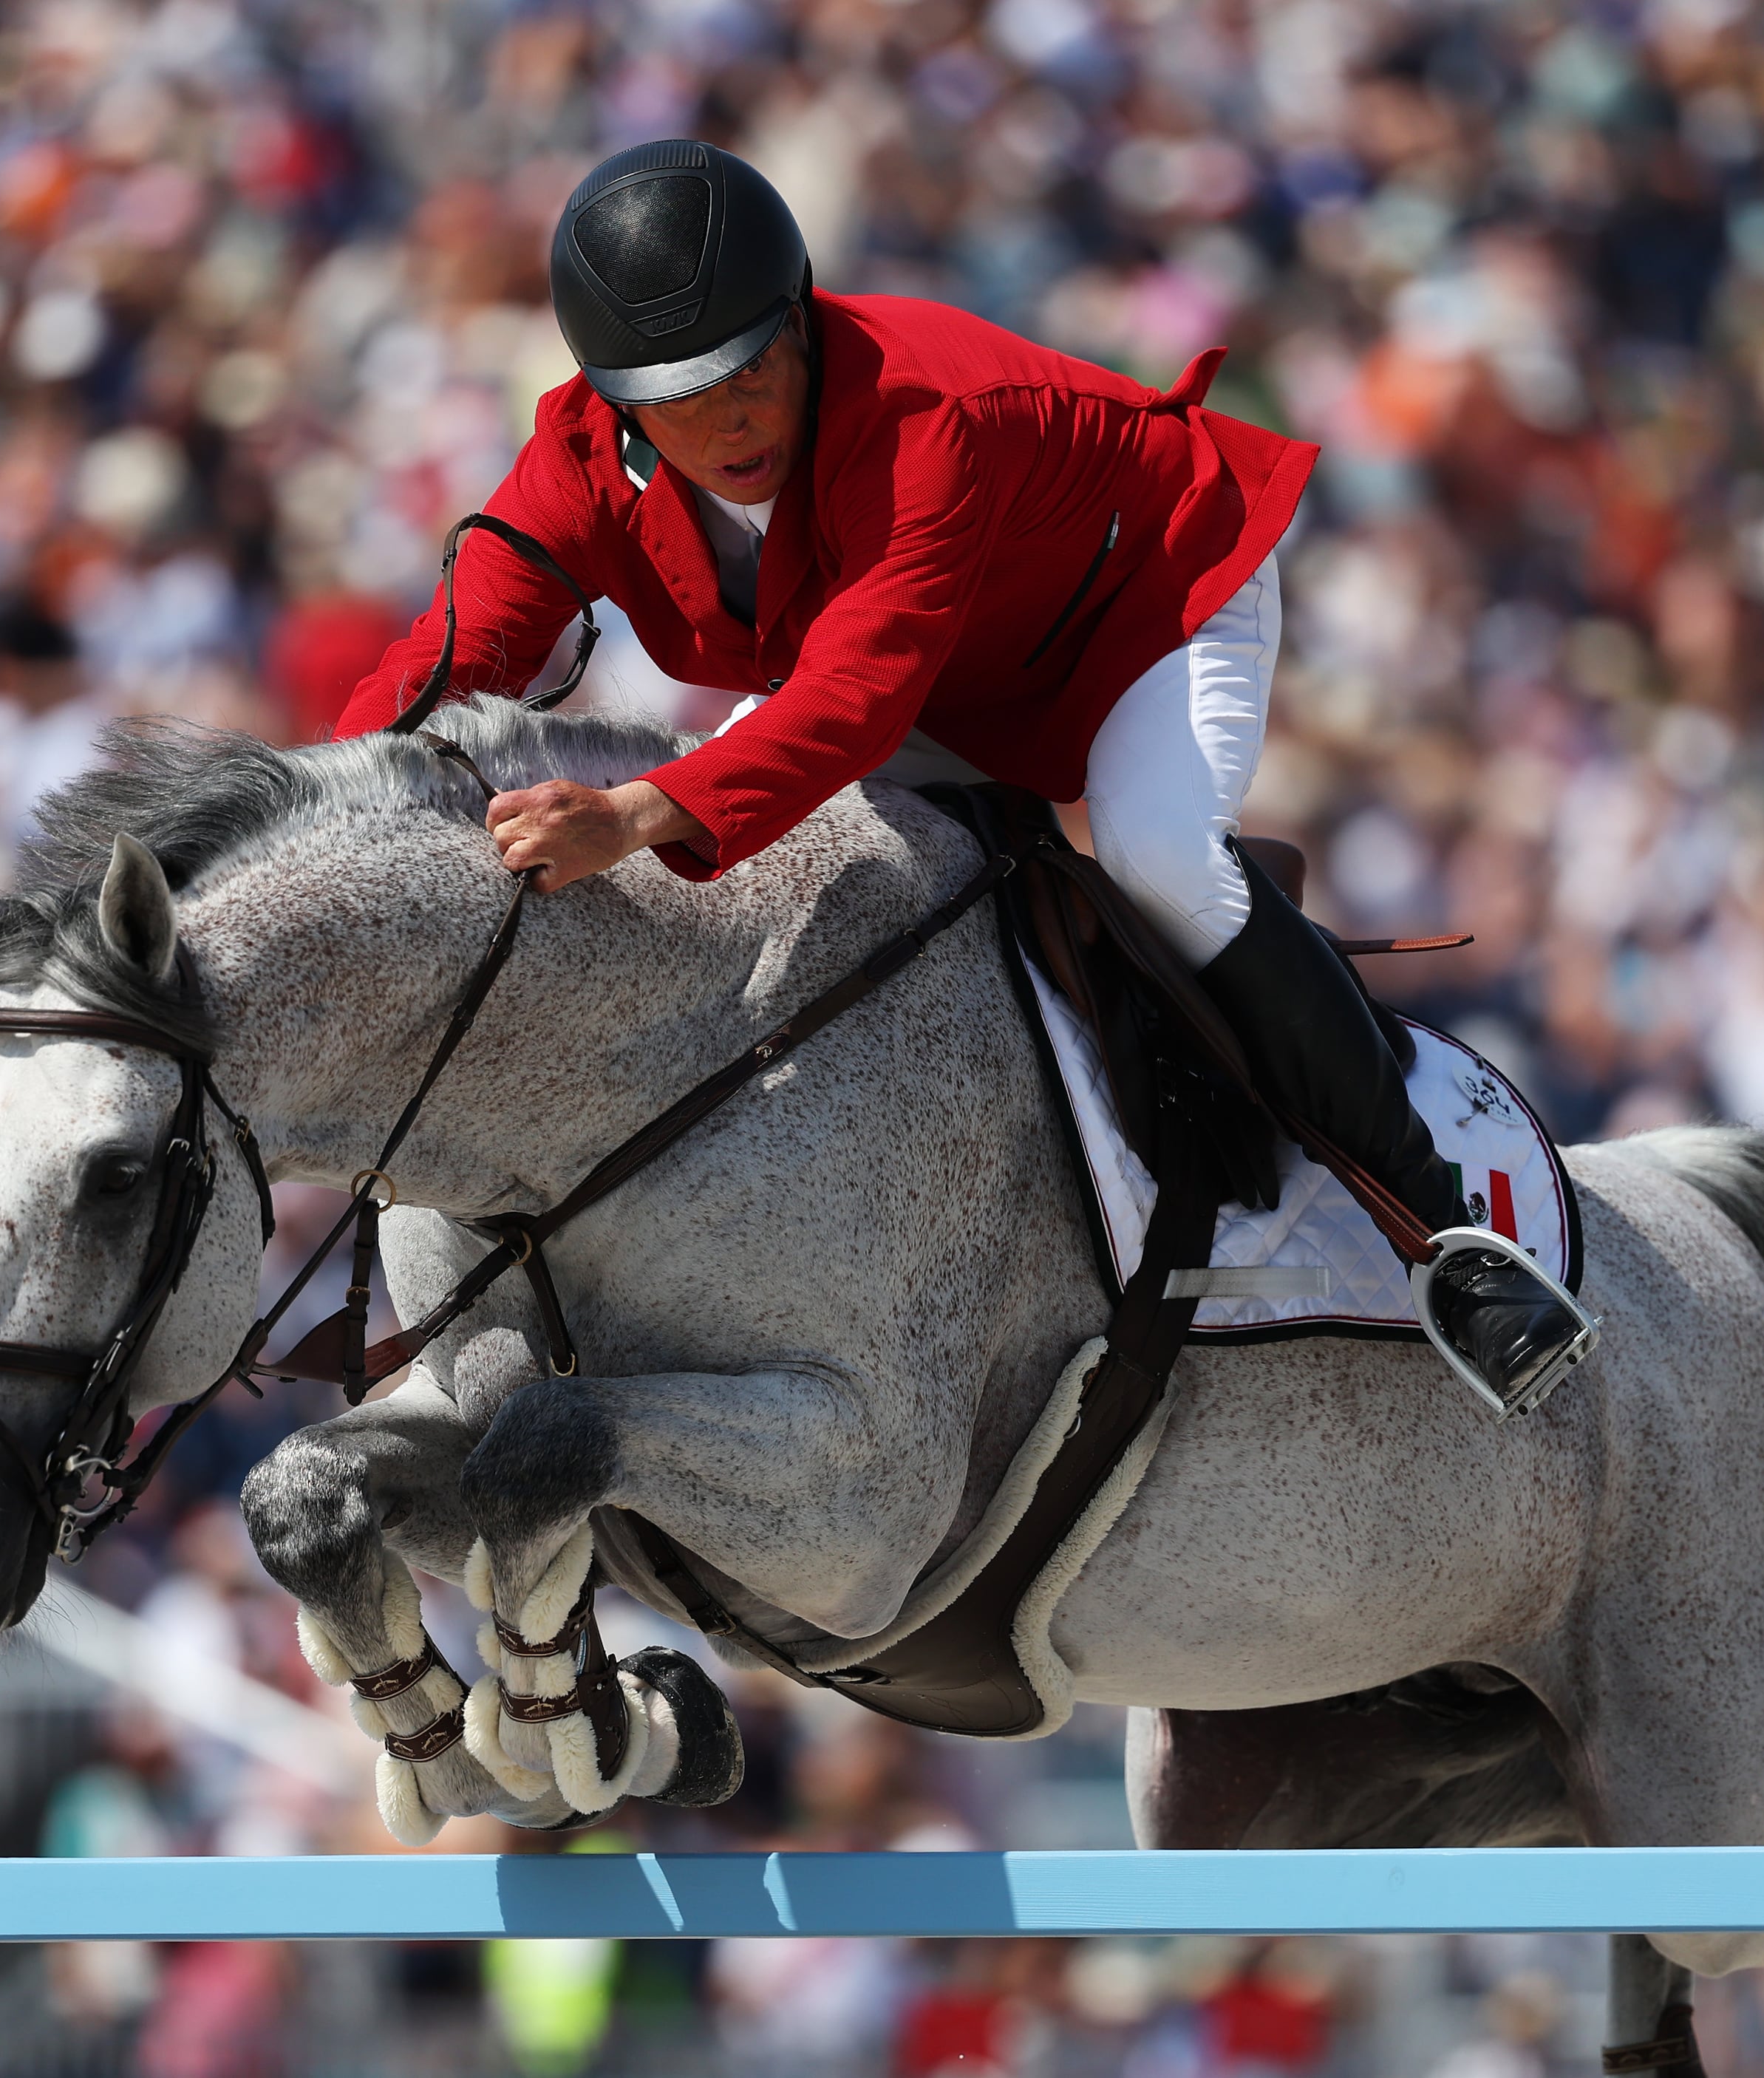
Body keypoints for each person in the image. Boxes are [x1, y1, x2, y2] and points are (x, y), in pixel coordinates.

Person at [333, 139, 1585, 1410]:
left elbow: (855, 698)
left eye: (756, 365)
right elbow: (456, 646)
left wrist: (639, 811)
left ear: (802, 318)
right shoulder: (577, 461)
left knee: (1156, 857)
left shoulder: (925, 418)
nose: (734, 418)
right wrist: (312, 813)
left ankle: (1449, 1239)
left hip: (1148, 603)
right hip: (942, 667)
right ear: (612, 398)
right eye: (684, 394)